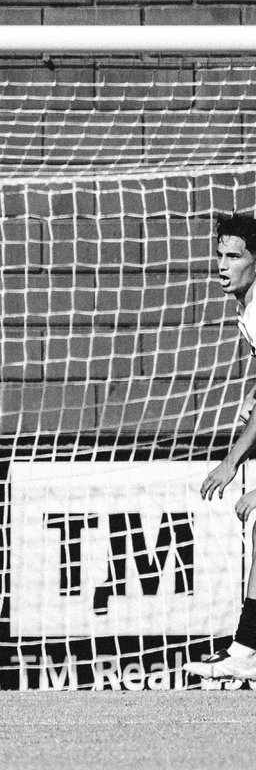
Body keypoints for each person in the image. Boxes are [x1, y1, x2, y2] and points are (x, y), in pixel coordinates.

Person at [188, 211, 256, 681]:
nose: (222, 265)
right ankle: (247, 649)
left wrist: (232, 461)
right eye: (219, 255)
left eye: (234, 256)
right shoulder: (247, 308)